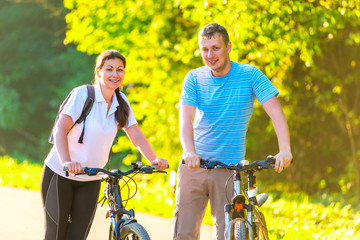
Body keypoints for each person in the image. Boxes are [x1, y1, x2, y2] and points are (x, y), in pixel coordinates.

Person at [172, 23, 293, 240]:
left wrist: (284, 149)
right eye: (205, 49)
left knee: (228, 234)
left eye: (215, 48)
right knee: (184, 233)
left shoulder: (250, 75)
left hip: (229, 168)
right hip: (195, 164)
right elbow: (186, 118)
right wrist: (189, 151)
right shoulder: (194, 78)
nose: (210, 55)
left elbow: (276, 112)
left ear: (228, 47)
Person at [40, 50, 168, 240]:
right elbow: (60, 129)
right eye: (109, 69)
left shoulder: (121, 102)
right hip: (61, 175)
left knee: (77, 236)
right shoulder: (83, 94)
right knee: (56, 235)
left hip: (91, 178)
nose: (115, 75)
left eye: (120, 70)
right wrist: (67, 161)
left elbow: (136, 136)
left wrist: (154, 159)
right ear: (98, 71)